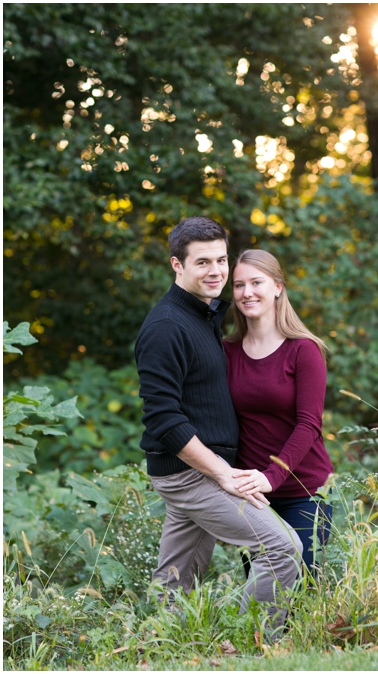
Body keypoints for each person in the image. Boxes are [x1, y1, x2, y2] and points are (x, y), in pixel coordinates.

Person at [134, 216, 303, 633]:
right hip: (191, 474)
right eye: (203, 262)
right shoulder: (166, 326)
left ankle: (160, 646)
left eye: (221, 260)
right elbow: (163, 418)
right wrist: (223, 474)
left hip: (200, 470)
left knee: (176, 578)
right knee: (282, 549)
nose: (216, 271)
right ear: (177, 265)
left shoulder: (203, 317)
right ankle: (249, 643)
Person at [222, 249, 334, 576]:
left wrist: (271, 477)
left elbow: (309, 425)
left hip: (305, 493)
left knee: (301, 594)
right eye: (239, 285)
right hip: (253, 497)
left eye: (257, 282)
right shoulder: (226, 352)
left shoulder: (303, 350)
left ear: (278, 287)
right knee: (263, 597)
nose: (247, 292)